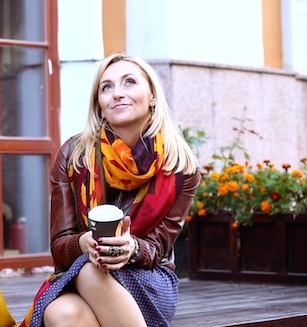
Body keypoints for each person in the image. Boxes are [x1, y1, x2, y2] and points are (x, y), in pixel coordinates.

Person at [20, 53, 200, 327]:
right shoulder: (73, 156)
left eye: (129, 83)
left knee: (91, 274)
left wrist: (131, 248)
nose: (117, 94)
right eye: (107, 87)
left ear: (152, 96)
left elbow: (158, 248)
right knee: (62, 313)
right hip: (82, 269)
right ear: (99, 105)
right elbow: (59, 247)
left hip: (147, 276)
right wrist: (84, 243)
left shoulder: (180, 165)